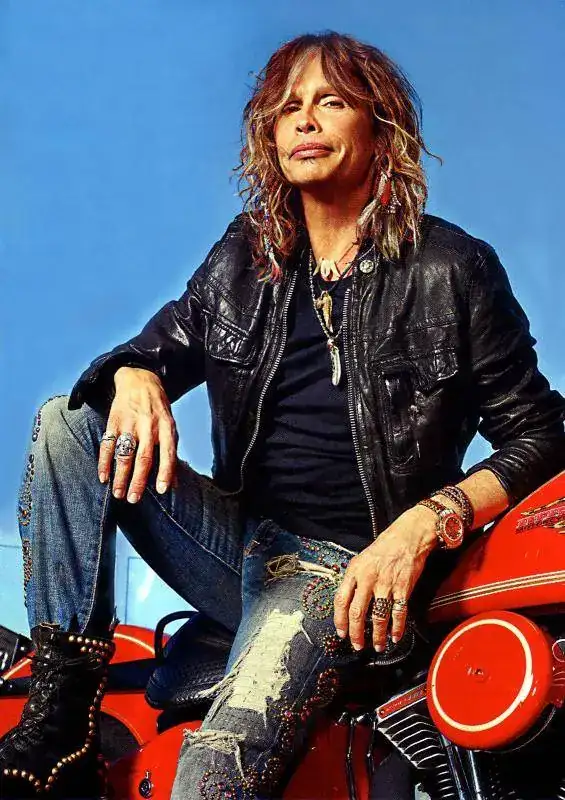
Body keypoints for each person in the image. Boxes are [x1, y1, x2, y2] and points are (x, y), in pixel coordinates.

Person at [1, 30, 564, 800]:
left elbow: (541, 433)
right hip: (237, 544)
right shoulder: (245, 256)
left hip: (341, 570)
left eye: (330, 102)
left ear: (380, 127)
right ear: (268, 137)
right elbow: (159, 346)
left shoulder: (451, 268)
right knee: (68, 422)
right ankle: (63, 715)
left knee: (211, 775)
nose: (303, 120)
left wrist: (425, 522)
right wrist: (134, 373)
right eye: (287, 107)